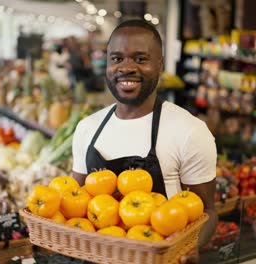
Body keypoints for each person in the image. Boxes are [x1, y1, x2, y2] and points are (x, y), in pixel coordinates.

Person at [71, 20, 218, 264]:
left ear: (159, 65)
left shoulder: (189, 131)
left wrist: (191, 246)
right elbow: (74, 200)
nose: (126, 68)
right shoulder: (88, 128)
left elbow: (208, 211)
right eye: (117, 59)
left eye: (140, 59)